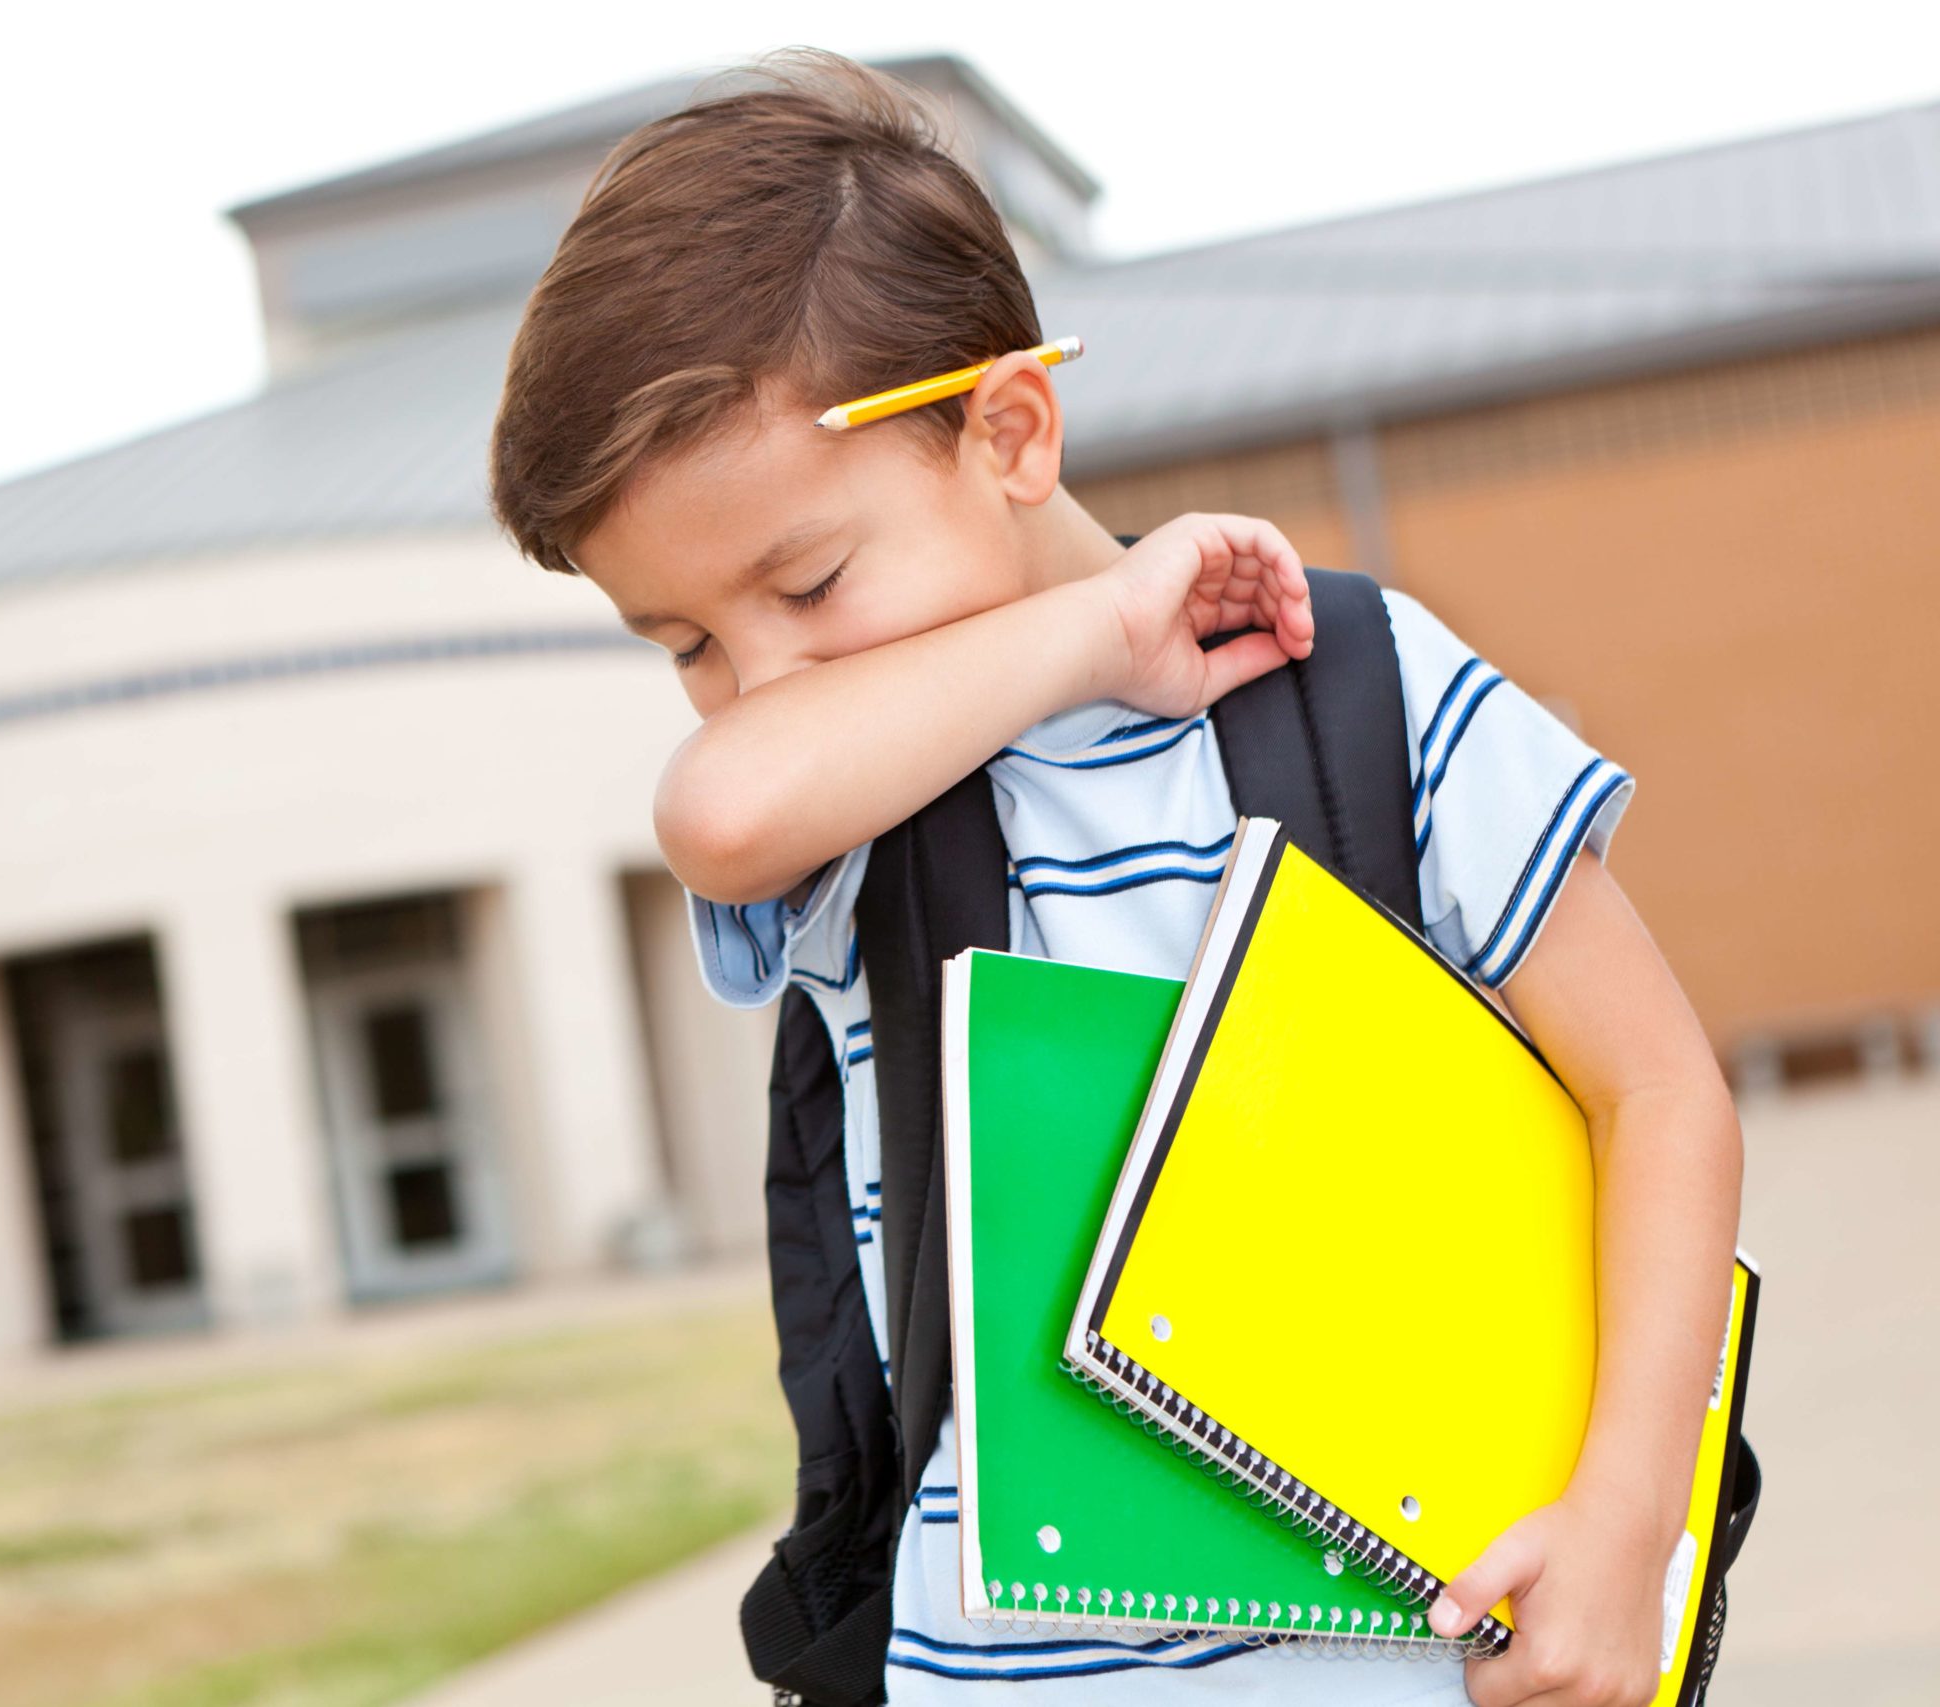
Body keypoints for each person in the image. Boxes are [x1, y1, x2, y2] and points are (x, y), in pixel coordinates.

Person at [486, 48, 1742, 1707]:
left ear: (1009, 428)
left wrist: (1626, 1522)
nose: (763, 675)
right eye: (689, 644)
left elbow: (1656, 1094)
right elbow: (720, 811)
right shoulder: (855, 808)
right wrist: (1098, 626)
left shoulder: (1359, 687)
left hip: (1410, 1647)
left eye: (810, 581)